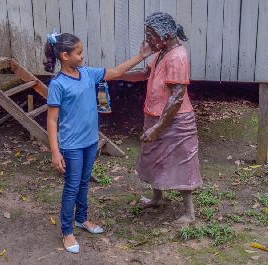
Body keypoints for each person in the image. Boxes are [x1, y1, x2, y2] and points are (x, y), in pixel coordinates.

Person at [45, 32, 152, 254]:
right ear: (65, 56)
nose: (82, 57)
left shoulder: (87, 74)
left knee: (84, 182)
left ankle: (81, 219)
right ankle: (66, 231)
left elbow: (117, 71)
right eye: (79, 53)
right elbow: (52, 120)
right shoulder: (58, 84)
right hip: (71, 145)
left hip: (90, 141)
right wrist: (55, 151)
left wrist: (141, 57)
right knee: (72, 186)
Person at [119, 12, 202, 226]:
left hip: (176, 121)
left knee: (183, 163)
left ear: (165, 35)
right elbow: (144, 74)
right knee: (154, 158)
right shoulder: (162, 52)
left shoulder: (177, 56)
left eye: (151, 35)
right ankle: (157, 198)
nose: (147, 40)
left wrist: (157, 128)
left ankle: (189, 213)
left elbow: (176, 98)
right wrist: (116, 74)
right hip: (155, 116)